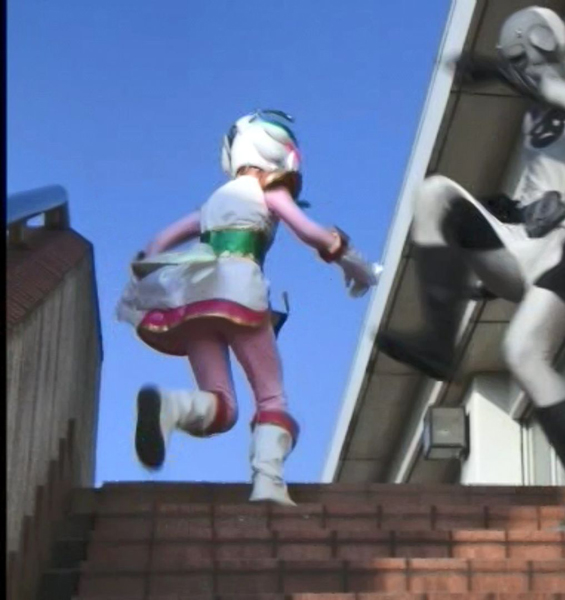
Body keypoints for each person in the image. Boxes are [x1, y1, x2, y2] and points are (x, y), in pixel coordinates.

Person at [375, 6, 565, 531]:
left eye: (521, 56)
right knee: (436, 194)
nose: (521, 67)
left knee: (523, 353)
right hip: (525, 245)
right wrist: (501, 215)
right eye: (513, 60)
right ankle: (437, 341)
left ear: (544, 41)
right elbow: (534, 188)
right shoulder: (535, 118)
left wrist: (500, 72)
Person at [117, 110, 381, 506]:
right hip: (240, 290)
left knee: (221, 404)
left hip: (192, 294)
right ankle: (268, 484)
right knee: (271, 397)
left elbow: (156, 245)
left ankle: (172, 408)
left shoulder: (210, 204)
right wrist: (354, 264)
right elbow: (310, 233)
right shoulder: (269, 192)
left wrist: (146, 278)